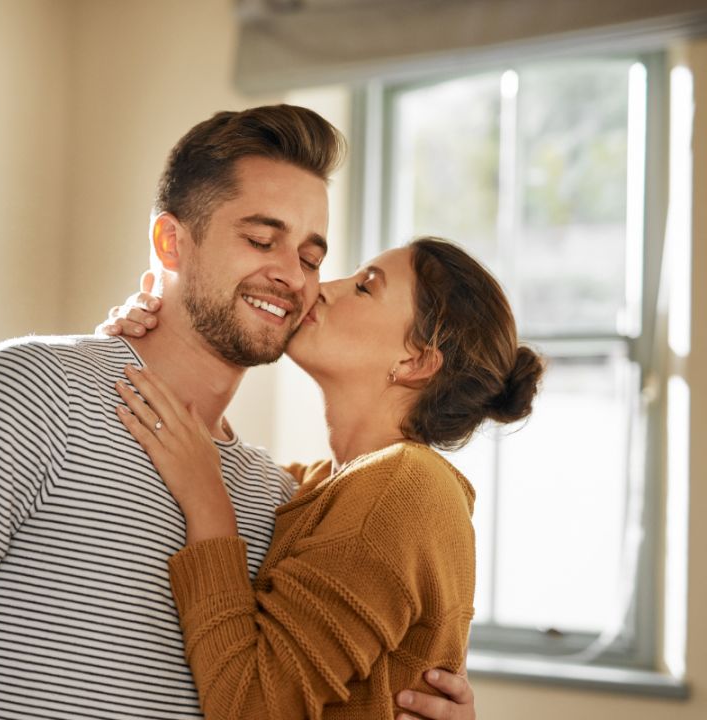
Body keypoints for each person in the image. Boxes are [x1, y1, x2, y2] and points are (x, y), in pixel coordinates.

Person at [0, 105, 476, 720]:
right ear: (170, 244)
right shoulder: (31, 394)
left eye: (309, 255)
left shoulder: (277, 500)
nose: (294, 277)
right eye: (261, 238)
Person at [106, 237, 543, 719]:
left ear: (415, 361)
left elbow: (249, 707)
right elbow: (209, 459)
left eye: (364, 287)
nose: (322, 288)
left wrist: (208, 504)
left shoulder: (400, 488)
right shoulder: (322, 487)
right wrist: (137, 338)